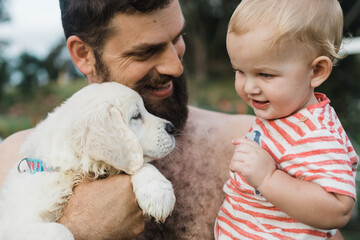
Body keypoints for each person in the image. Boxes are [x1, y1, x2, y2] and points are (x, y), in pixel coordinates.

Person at [0, 0, 345, 239]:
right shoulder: (16, 161)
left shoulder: (254, 143)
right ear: (83, 55)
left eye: (177, 38)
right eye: (146, 51)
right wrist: (77, 229)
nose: (175, 67)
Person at [215, 0, 358, 239]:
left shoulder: (317, 134)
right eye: (239, 71)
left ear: (316, 71)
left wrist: (267, 178)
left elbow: (338, 210)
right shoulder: (284, 112)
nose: (249, 87)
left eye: (265, 74)